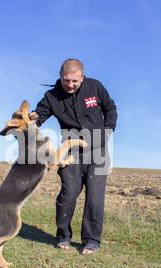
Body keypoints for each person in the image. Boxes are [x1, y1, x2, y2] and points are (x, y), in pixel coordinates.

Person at [30, 58, 118, 255]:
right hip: (70, 151)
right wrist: (32, 120)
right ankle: (63, 236)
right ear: (61, 76)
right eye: (66, 80)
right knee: (68, 194)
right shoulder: (51, 96)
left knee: (95, 198)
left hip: (98, 149)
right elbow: (39, 116)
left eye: (75, 81)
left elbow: (110, 108)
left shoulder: (95, 87)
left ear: (82, 78)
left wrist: (108, 128)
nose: (70, 85)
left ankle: (91, 240)